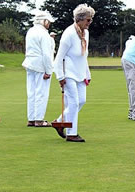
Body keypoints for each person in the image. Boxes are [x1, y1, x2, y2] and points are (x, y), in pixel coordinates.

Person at [52, 4, 95, 142]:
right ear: (79, 19)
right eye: (88, 20)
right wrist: (60, 77)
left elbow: (84, 56)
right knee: (74, 103)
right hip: (68, 73)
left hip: (80, 73)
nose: (90, 22)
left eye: (91, 19)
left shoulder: (85, 33)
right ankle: (72, 133)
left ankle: (59, 122)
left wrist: (87, 74)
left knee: (81, 101)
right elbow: (58, 58)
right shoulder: (69, 34)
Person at [22, 11, 55, 127]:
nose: (49, 24)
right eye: (48, 21)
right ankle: (39, 120)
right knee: (41, 92)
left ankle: (31, 118)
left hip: (29, 63)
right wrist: (48, 71)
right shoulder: (44, 34)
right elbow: (46, 54)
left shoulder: (30, 31)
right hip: (40, 65)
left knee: (31, 92)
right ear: (44, 21)